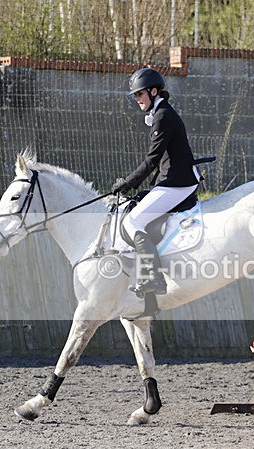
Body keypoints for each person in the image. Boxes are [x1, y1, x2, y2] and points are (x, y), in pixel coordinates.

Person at [110, 67, 201, 296]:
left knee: (132, 222)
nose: (136, 99)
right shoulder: (161, 114)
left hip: (179, 183)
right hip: (170, 180)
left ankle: (154, 278)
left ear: (153, 91)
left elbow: (152, 160)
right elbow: (162, 162)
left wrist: (128, 183)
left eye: (139, 94)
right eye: (135, 96)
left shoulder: (163, 116)